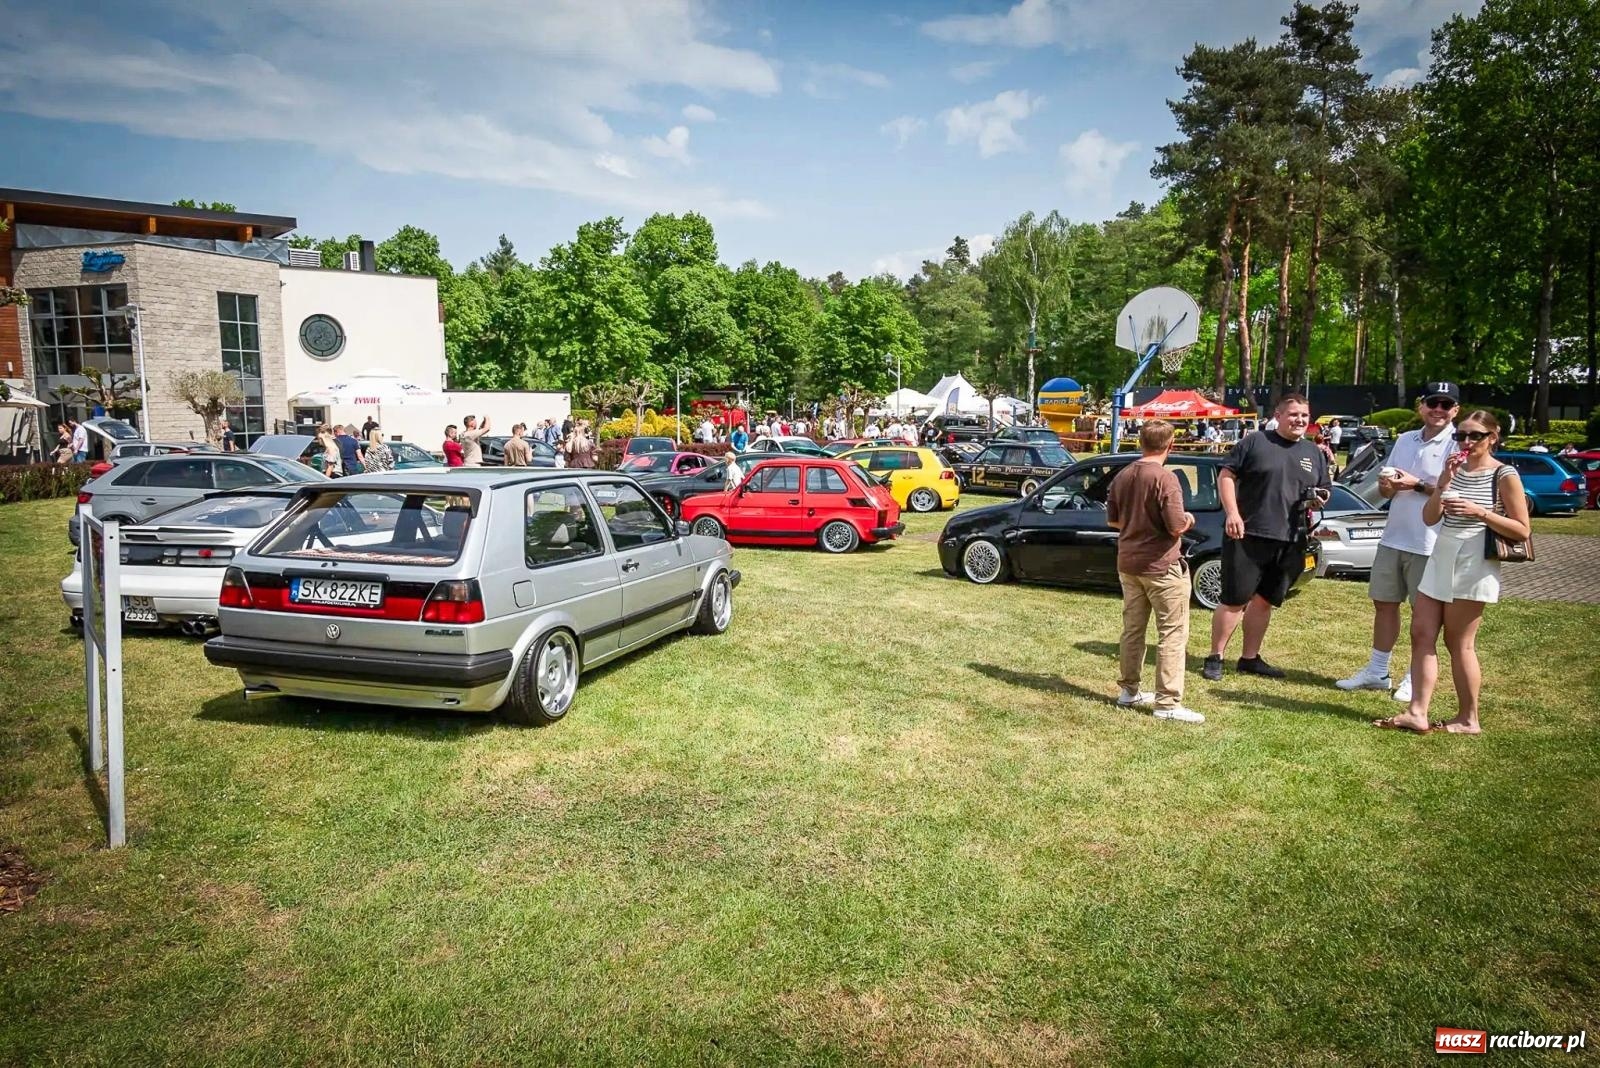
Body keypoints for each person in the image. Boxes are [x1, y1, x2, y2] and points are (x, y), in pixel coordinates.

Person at [1374, 411, 1529, 735]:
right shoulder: (1454, 471)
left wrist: (1480, 512)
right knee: (1421, 634)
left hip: (1474, 561)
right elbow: (1431, 518)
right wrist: (1443, 482)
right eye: (1461, 436)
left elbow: (1521, 530)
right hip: (1441, 555)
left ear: (1493, 437)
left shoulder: (1504, 474)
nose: (1467, 442)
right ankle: (1418, 712)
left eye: (1476, 436)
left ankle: (1469, 719)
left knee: (1459, 643)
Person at [1336, 383, 1460, 701]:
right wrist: (1388, 486)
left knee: (1424, 615)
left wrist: (1416, 484)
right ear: (1422, 406)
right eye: (1433, 402)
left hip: (1430, 543)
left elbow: (1454, 494)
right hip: (1394, 537)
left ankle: (1413, 677)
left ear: (1455, 411)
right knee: (1384, 604)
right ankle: (1378, 672)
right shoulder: (1405, 439)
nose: (1438, 409)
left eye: (1446, 405)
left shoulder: (1458, 444)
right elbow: (1392, 490)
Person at [1204, 394, 1329, 681]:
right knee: (1234, 599)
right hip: (1248, 533)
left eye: (1304, 416)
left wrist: (1319, 500)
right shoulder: (1255, 442)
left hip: (1290, 539)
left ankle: (1250, 658)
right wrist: (1232, 513)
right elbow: (1226, 475)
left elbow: (1325, 489)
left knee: (1264, 601)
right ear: (1279, 415)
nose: (1299, 420)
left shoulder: (1314, 453)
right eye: (1294, 414)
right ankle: (1215, 656)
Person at [1106, 420, 1203, 723]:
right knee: (1172, 633)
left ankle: (1129, 690)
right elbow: (1175, 525)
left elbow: (1113, 522)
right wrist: (1188, 520)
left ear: (1140, 442)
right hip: (1161, 566)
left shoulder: (1123, 475)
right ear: (1170, 445)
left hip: (1128, 563)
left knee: (1133, 630)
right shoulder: (1166, 478)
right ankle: (1167, 703)